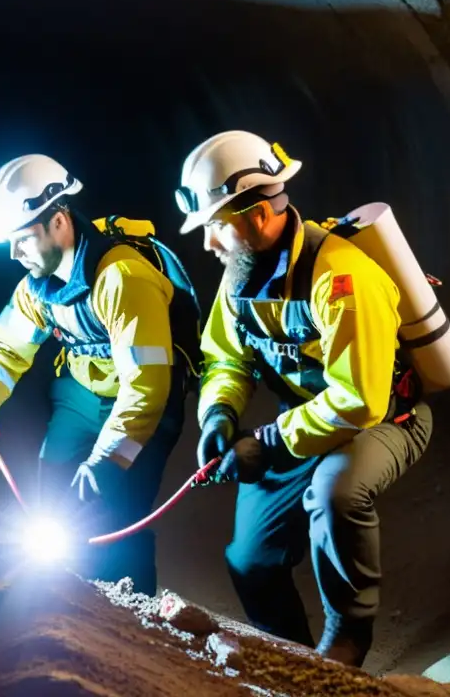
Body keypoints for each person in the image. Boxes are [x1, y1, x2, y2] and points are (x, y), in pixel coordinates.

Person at [175, 130, 433, 667]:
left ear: (258, 214)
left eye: (215, 227)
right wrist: (219, 412)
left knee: (335, 491)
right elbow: (225, 357)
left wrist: (267, 443)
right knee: (249, 560)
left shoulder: (341, 277)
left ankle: (346, 636)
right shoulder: (240, 276)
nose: (208, 244)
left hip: (388, 418)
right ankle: (290, 656)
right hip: (309, 424)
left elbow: (358, 401)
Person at [0, 154, 201, 594]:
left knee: (118, 513)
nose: (14, 254)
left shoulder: (122, 278)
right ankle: (63, 602)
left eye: (23, 239)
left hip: (146, 403)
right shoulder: (36, 285)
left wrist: (106, 460)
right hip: (81, 395)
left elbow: (146, 387)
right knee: (52, 498)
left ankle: (135, 615)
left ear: (58, 221)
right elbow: (4, 350)